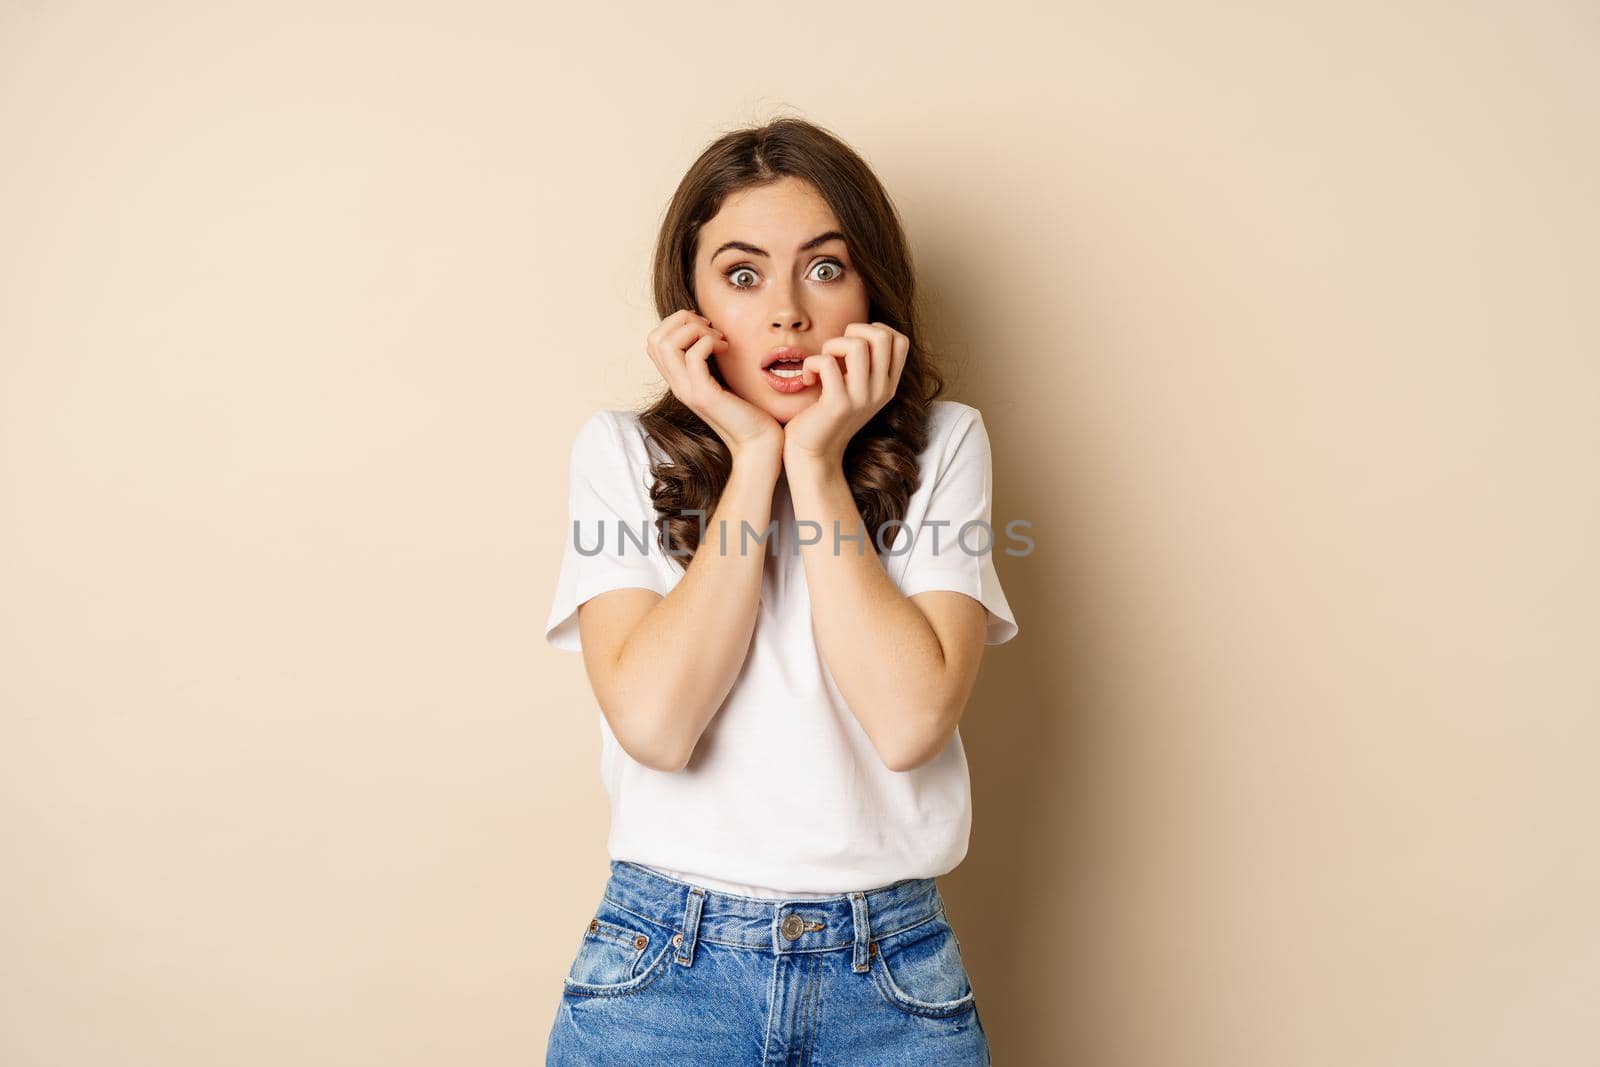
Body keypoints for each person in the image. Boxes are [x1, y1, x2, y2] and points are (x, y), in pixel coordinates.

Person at [542, 116, 1018, 1065]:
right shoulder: (619, 453)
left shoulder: (946, 444)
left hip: (889, 979)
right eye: (744, 274)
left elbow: (909, 719)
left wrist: (818, 459)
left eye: (826, 268)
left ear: (873, 289)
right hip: (660, 974)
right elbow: (657, 725)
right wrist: (755, 454)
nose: (789, 313)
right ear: (694, 303)